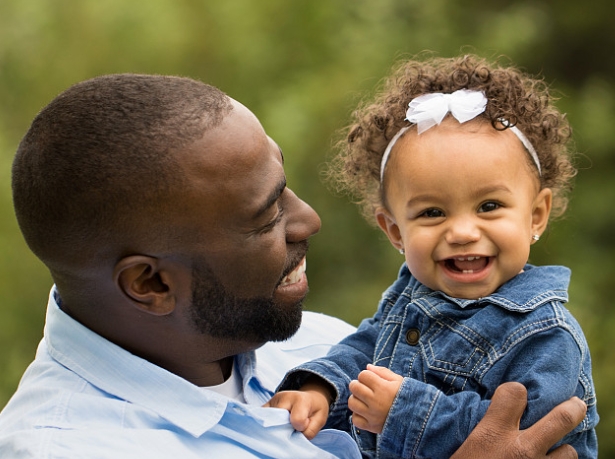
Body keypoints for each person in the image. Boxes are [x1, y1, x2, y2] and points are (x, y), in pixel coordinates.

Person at [0, 73, 586, 458]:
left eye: (286, 188)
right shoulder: (68, 446)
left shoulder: (311, 345)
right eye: (266, 215)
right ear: (150, 283)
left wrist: (321, 382)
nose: (308, 221)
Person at [266, 55, 599, 458]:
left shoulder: (545, 333)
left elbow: (528, 432)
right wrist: (322, 388)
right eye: (432, 213)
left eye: (489, 205)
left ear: (536, 215)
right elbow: (367, 348)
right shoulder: (413, 290)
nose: (461, 232)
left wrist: (403, 412)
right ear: (395, 231)